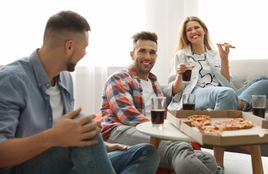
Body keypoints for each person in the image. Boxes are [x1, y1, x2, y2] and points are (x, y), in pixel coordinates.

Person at [0, 11, 159, 174]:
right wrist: (53, 136)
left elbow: (71, 134)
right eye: (85, 47)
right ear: (69, 47)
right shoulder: (11, 80)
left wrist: (106, 147)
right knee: (82, 120)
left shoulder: (65, 79)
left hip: (64, 164)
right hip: (23, 168)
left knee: (146, 152)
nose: (85, 53)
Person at [166, 16, 268, 173]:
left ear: (204, 30)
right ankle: (218, 164)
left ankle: (239, 103)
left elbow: (225, 81)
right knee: (226, 93)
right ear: (185, 35)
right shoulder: (181, 55)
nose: (193, 31)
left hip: (223, 91)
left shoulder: (214, 54)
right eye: (188, 30)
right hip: (194, 94)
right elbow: (175, 91)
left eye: (196, 27)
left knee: (267, 81)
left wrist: (224, 58)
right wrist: (178, 75)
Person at [100, 31, 218, 174]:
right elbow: (128, 116)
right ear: (132, 54)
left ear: (156, 57)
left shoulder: (154, 82)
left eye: (152, 52)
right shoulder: (118, 78)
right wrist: (165, 133)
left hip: (151, 132)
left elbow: (166, 105)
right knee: (179, 148)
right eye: (142, 51)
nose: (147, 57)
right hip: (120, 131)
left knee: (207, 159)